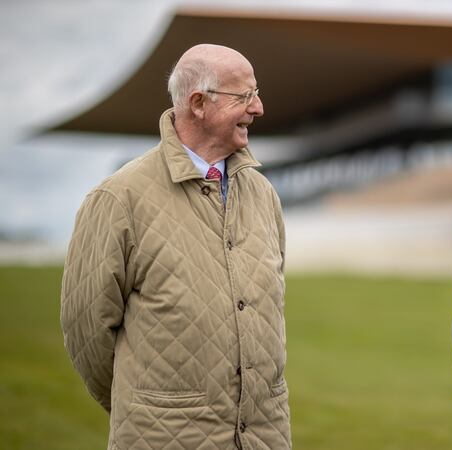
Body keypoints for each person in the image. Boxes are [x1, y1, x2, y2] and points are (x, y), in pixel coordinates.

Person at [60, 44, 290, 449]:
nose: (259, 108)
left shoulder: (264, 194)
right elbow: (87, 332)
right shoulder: (119, 198)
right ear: (198, 103)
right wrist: (152, 409)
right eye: (245, 96)